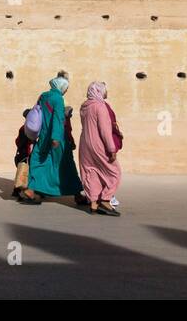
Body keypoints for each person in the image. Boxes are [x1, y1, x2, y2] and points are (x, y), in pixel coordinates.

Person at [19, 75, 84, 204]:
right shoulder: (58, 98)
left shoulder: (44, 96)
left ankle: (32, 190)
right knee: (66, 166)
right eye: (66, 88)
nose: (66, 90)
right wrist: (56, 137)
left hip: (43, 137)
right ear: (61, 87)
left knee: (38, 161)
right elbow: (58, 119)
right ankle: (78, 195)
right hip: (57, 139)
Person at [78, 81, 123, 216]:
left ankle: (93, 203)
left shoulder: (84, 106)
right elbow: (105, 130)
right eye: (104, 90)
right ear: (99, 91)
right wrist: (111, 149)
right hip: (98, 145)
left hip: (84, 144)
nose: (106, 92)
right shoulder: (100, 106)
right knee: (115, 172)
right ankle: (105, 199)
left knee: (91, 172)